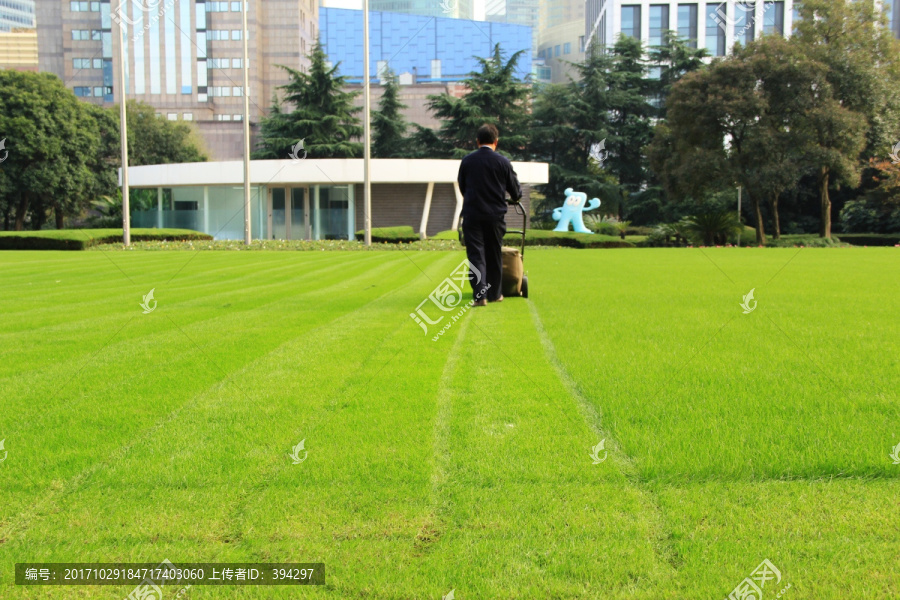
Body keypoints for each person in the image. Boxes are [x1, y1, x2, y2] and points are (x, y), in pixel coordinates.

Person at [457, 124, 522, 307]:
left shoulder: (467, 161)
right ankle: (495, 294)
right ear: (496, 142)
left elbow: (462, 186)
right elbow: (515, 191)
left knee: (476, 255)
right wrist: (513, 197)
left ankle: (479, 296)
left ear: (477, 141)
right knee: (494, 254)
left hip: (472, 214)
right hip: (495, 215)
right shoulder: (503, 162)